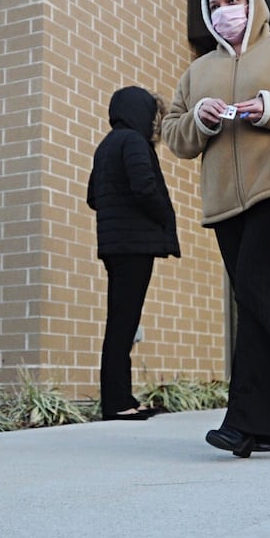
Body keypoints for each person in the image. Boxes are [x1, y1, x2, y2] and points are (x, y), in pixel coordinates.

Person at [161, 0, 270, 458]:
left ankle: (243, 423)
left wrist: (269, 106)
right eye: (217, 4)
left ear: (253, 1)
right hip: (224, 205)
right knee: (262, 303)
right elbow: (173, 135)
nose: (226, 10)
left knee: (254, 293)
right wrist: (199, 120)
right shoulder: (197, 71)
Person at [87, 86, 180, 420]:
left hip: (114, 245)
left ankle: (121, 399)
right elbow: (144, 186)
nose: (154, 122)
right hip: (133, 245)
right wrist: (164, 216)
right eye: (152, 114)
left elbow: (93, 196)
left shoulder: (106, 145)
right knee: (123, 324)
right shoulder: (133, 141)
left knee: (121, 323)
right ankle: (118, 405)